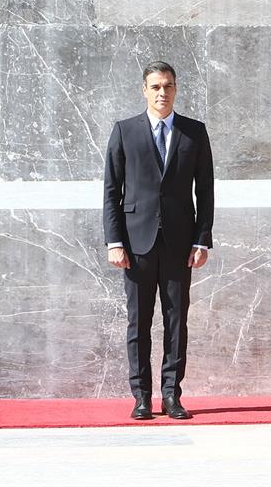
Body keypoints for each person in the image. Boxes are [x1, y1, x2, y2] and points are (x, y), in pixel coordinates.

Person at [102, 61, 214, 420]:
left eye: (167, 86)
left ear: (176, 89)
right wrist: (113, 241)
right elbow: (111, 192)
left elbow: (206, 192)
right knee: (139, 323)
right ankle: (141, 397)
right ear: (144, 90)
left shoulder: (194, 133)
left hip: (180, 245)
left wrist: (202, 240)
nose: (162, 93)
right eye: (155, 87)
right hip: (136, 245)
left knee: (176, 320)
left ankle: (171, 395)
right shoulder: (124, 131)